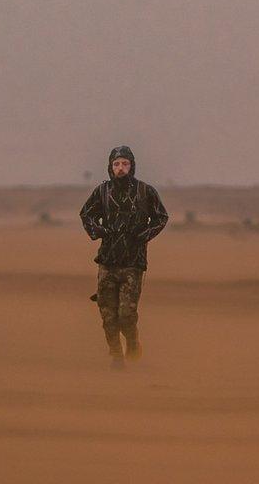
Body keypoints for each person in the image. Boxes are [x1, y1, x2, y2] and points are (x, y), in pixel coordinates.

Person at [79, 146, 168, 369]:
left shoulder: (145, 192)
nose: (120, 168)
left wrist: (144, 236)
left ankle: (133, 342)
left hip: (133, 263)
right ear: (110, 166)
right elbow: (86, 214)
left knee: (126, 315)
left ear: (132, 166)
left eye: (125, 164)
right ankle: (117, 356)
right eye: (116, 164)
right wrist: (99, 231)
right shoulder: (102, 191)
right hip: (107, 261)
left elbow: (161, 217)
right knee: (108, 316)